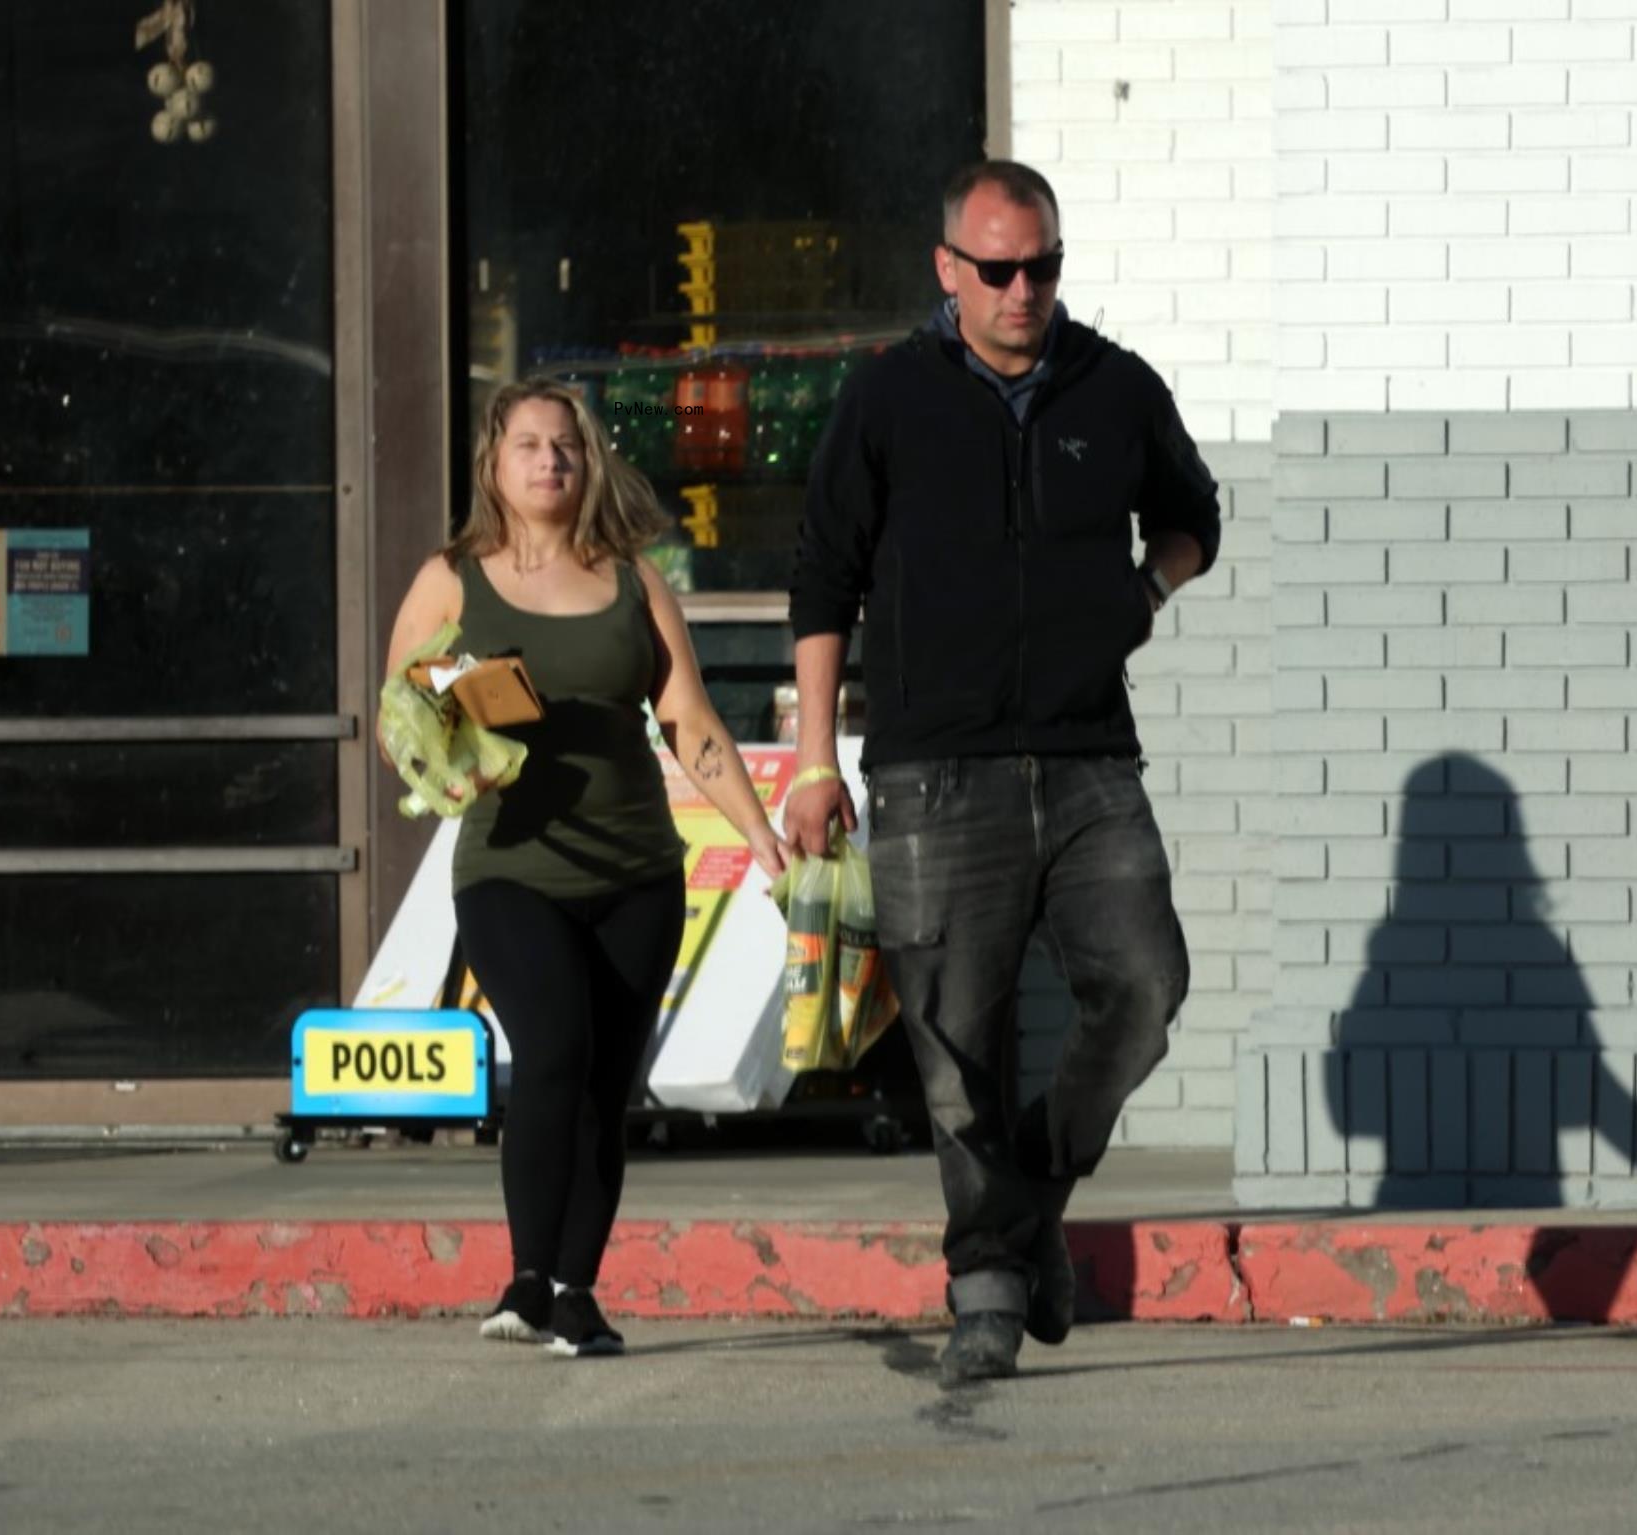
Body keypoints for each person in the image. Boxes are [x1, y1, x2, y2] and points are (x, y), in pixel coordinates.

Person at [785, 160, 1220, 1386]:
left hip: (1089, 763)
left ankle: (1024, 1207)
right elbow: (824, 575)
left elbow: (1194, 514)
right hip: (933, 773)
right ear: (948, 269)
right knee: (956, 1050)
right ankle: (987, 1287)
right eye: (998, 269)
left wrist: (1143, 593)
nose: (1024, 289)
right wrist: (814, 759)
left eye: (1043, 266)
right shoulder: (888, 396)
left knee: (1145, 987)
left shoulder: (1115, 386)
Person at [383, 378, 790, 1357]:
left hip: (639, 868)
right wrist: (456, 730)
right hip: (511, 864)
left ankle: (576, 1290)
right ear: (494, 462)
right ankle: (526, 1277)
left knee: (608, 1083)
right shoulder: (454, 577)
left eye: (564, 444)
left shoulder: (634, 579)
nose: (549, 460)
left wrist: (761, 834)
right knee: (555, 1047)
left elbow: (689, 720)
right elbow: (402, 707)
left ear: (588, 459)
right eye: (528, 444)